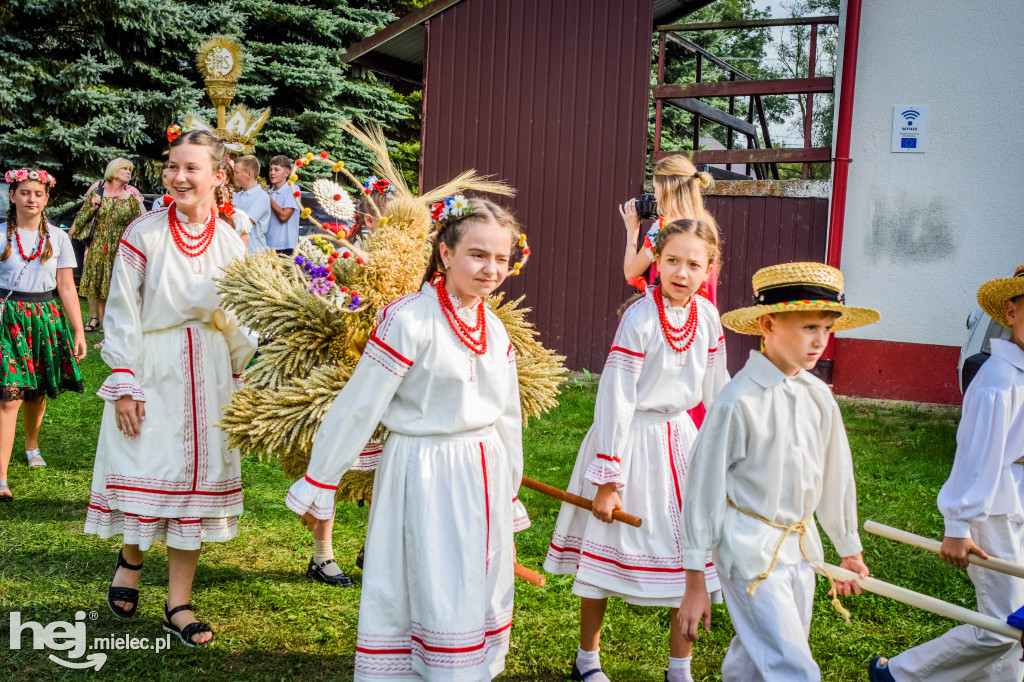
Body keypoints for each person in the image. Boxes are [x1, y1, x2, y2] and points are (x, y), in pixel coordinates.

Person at [286, 196, 529, 680]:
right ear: (445, 253)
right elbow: (361, 404)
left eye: (501, 258)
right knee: (428, 580)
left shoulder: (495, 328)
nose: (491, 269)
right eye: (478, 255)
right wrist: (321, 480)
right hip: (422, 470)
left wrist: (509, 489)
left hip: (481, 472)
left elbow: (506, 414)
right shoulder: (410, 318)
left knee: (472, 585)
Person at [83, 130, 256, 647]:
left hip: (210, 369)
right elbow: (122, 309)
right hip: (153, 364)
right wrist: (125, 380)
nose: (179, 176)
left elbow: (240, 317)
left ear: (217, 176)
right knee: (150, 467)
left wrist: (247, 372)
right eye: (172, 167)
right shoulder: (145, 232)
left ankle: (177, 603)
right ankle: (131, 559)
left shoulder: (231, 240)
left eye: (191, 168)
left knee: (196, 483)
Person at [544, 219, 729, 682]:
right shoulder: (641, 317)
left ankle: (679, 668)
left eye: (693, 264)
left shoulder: (707, 318)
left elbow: (718, 388)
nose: (681, 273)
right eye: (672, 261)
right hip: (629, 441)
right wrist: (607, 480)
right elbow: (616, 395)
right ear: (656, 263)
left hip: (680, 440)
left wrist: (730, 450)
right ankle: (587, 659)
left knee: (691, 555)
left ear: (709, 268)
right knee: (606, 553)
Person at [678, 262, 879, 681]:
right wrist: (695, 579)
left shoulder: (819, 397)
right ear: (767, 324)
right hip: (749, 552)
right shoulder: (737, 402)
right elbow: (703, 491)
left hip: (802, 549)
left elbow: (835, 477)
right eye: (809, 327)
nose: (820, 341)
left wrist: (848, 545)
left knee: (756, 658)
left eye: (827, 328)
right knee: (793, 668)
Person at [869, 265, 1024, 682]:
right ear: (1010, 312)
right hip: (993, 510)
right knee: (1005, 625)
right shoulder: (998, 381)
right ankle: (899, 674)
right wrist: (958, 525)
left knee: (1014, 626)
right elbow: (976, 458)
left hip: (1019, 504)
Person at [0, 169, 86, 502]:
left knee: (35, 393)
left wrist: (78, 329)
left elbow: (66, 286)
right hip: (7, 318)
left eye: (37, 193)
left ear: (46, 198)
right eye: (24, 192)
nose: (31, 199)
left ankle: (31, 446)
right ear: (13, 196)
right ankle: (2, 478)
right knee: (9, 395)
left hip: (44, 319)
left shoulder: (58, 238)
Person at [620, 156, 719, 430]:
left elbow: (631, 272)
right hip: (699, 320)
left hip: (666, 320)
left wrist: (632, 231)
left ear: (666, 186)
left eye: (655, 185)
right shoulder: (704, 226)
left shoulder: (664, 228)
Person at [69, 157, 146, 333]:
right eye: (124, 169)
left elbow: (139, 224)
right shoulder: (98, 192)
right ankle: (102, 322)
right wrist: (92, 207)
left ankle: (112, 322)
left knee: (116, 285)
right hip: (97, 246)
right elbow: (81, 219)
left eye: (130, 170)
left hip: (120, 248)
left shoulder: (131, 198)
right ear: (113, 171)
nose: (128, 172)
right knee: (97, 285)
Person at [233, 155, 271, 253]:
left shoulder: (262, 197)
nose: (234, 176)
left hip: (253, 255)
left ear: (249, 174)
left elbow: (244, 224)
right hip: (236, 254)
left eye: (236, 172)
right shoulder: (236, 195)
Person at [266, 155, 299, 254]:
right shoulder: (269, 192)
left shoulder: (292, 189)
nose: (272, 173)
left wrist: (267, 197)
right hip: (267, 246)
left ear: (287, 173)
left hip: (286, 247)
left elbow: (284, 217)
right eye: (270, 169)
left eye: (276, 170)